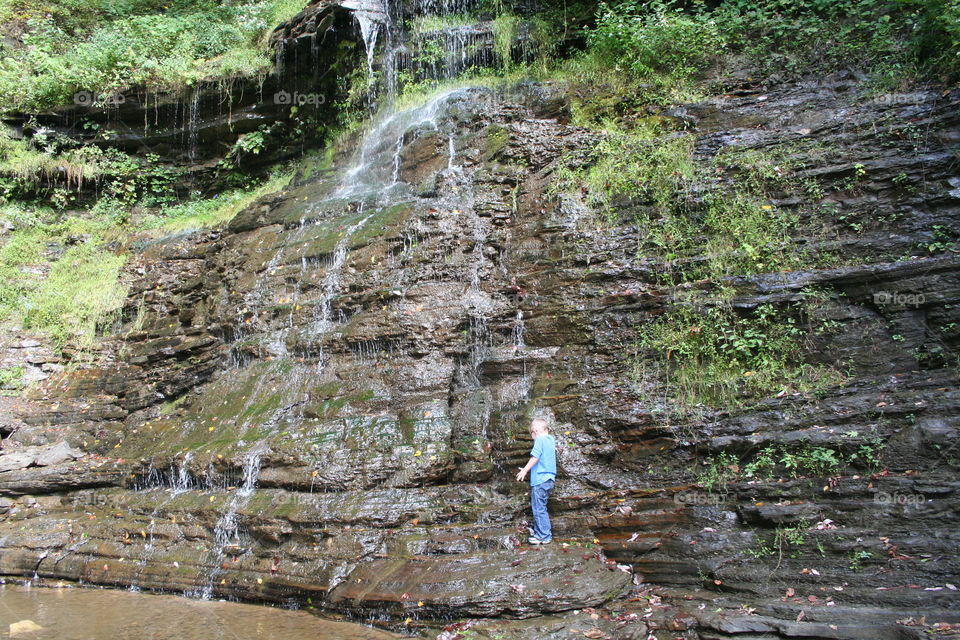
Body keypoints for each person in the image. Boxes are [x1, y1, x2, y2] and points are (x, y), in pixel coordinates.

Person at [515, 417, 556, 544]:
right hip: (549, 480)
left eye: (531, 433)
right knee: (541, 508)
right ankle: (541, 534)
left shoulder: (540, 440)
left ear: (535, 431)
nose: (532, 436)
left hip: (540, 480)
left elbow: (535, 457)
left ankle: (544, 536)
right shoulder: (550, 440)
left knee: (538, 509)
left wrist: (525, 470)